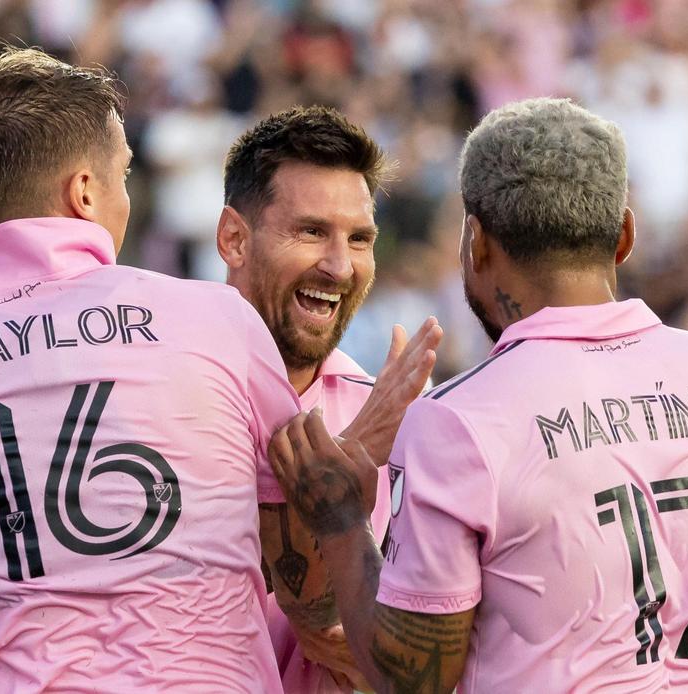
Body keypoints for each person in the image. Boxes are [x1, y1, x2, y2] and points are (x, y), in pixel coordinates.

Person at [0, 47, 431, 692]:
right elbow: (308, 586)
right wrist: (359, 451)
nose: (127, 197)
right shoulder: (217, 322)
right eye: (123, 175)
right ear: (83, 193)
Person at [269, 97, 688, 693]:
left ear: (476, 242)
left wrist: (342, 522)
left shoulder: (460, 419)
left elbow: (413, 677)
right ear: (625, 235)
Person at [217, 105, 441, 693]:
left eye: (360, 239)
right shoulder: (158, 389)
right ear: (234, 239)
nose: (340, 267)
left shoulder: (409, 418)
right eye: (312, 231)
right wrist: (358, 445)